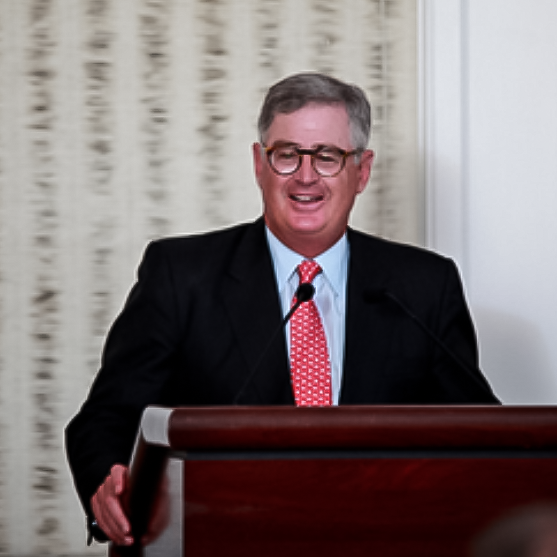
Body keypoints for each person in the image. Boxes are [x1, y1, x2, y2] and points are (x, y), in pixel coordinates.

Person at [66, 72, 499, 546]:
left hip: (380, 541)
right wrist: (108, 485)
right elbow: (106, 418)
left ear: (362, 171)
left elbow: (480, 435)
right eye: (287, 154)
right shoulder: (182, 274)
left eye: (328, 157)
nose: (306, 176)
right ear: (259, 164)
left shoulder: (423, 286)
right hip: (225, 540)